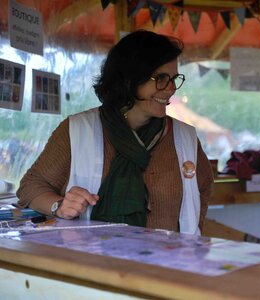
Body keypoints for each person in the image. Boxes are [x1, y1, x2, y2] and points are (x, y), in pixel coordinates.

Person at [17, 30, 214, 235]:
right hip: (94, 262)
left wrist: (190, 241)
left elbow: (203, 189)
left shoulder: (184, 138)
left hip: (169, 263)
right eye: (161, 78)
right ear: (130, 79)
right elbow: (30, 187)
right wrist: (59, 205)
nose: (171, 88)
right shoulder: (78, 130)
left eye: (174, 79)